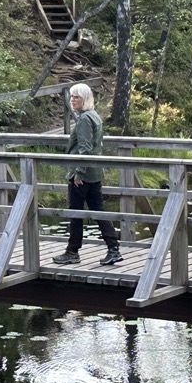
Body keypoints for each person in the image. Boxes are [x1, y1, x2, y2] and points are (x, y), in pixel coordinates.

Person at [53, 83, 123, 266]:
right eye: (71, 97)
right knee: (98, 211)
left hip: (83, 173)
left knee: (75, 212)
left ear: (85, 98)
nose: (72, 100)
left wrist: (78, 173)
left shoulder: (84, 119)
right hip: (95, 171)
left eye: (76, 97)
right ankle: (113, 248)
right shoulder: (94, 116)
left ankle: (72, 251)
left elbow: (84, 148)